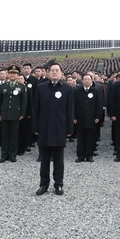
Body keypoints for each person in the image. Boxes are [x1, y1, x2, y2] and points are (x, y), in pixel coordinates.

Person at [32, 63, 74, 195]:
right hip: (44, 128)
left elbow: (70, 110)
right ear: (48, 73)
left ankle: (58, 184)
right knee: (44, 160)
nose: (55, 72)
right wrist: (36, 126)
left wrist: (69, 129)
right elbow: (36, 109)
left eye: (57, 70)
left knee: (58, 160)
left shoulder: (67, 88)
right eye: (52, 70)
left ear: (61, 73)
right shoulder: (41, 88)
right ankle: (43, 184)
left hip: (59, 128)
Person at [0, 66, 28, 163]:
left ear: (18, 75)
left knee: (14, 136)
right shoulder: (3, 86)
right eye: (11, 73)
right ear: (8, 74)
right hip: (5, 113)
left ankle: (12, 155)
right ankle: (4, 155)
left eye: (14, 73)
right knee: (5, 135)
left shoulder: (21, 87)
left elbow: (24, 102)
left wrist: (22, 113)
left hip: (15, 114)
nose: (12, 75)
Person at [73, 74, 103, 162]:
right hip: (80, 118)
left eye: (88, 79)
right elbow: (74, 105)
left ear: (91, 81)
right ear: (82, 81)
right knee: (81, 138)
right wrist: (74, 117)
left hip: (91, 118)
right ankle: (80, 156)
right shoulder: (77, 92)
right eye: (85, 79)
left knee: (90, 138)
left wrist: (98, 116)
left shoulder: (95, 92)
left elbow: (99, 105)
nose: (86, 81)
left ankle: (89, 155)